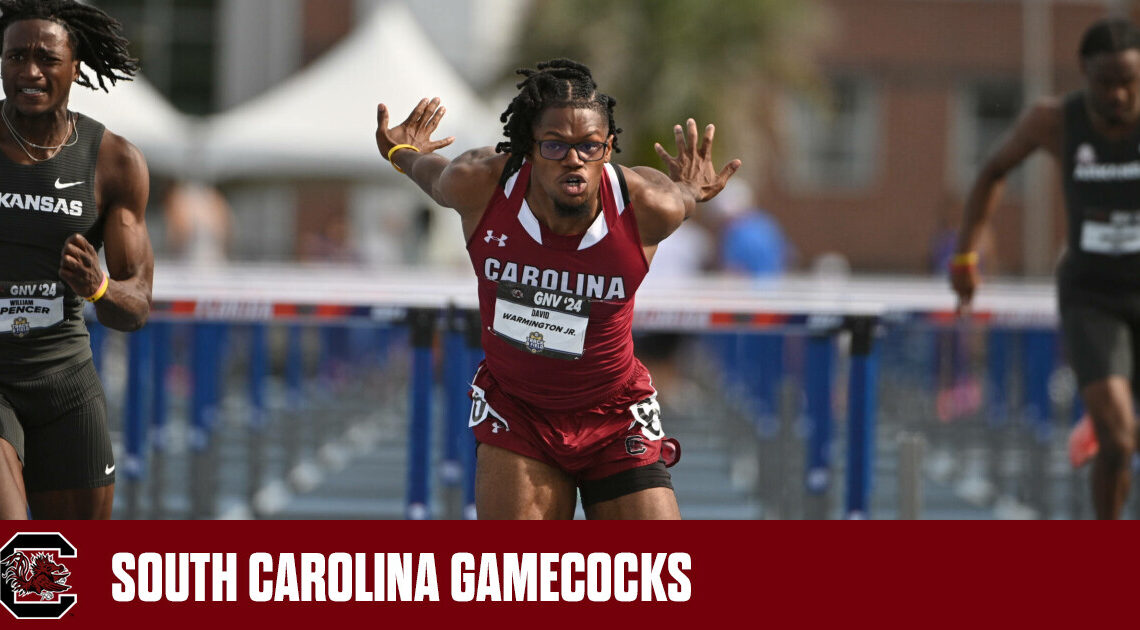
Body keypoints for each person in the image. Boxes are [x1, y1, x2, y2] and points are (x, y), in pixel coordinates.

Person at [376, 59, 740, 519]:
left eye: (589, 146)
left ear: (607, 149)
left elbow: (685, 197)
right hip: (518, 413)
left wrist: (689, 188)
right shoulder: (481, 186)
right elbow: (429, 172)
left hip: (614, 411)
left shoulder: (649, 206)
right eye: (555, 146)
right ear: (528, 148)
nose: (574, 159)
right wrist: (399, 152)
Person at [951, 17, 1140, 519]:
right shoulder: (1054, 120)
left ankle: (1106, 411)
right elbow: (992, 171)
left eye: (1129, 83)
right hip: (1093, 294)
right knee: (1119, 440)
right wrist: (966, 255)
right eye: (1106, 84)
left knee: (1122, 429)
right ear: (1084, 74)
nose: (1118, 95)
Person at [0, 0, 153, 519]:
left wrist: (99, 287)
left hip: (65, 382)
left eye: (46, 58)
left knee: (67, 579)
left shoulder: (114, 161)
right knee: (17, 541)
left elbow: (136, 307)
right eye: (15, 57)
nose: (29, 71)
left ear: (76, 68)